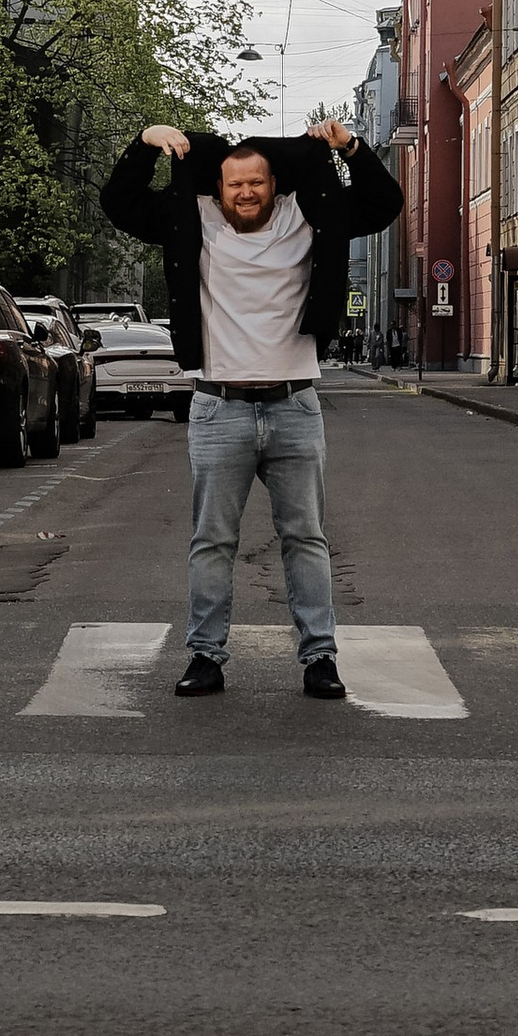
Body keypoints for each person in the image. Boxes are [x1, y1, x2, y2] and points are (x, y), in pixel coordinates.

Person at [102, 113, 403, 702]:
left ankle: (320, 659)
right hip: (219, 407)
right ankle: (205, 657)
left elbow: (383, 203)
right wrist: (144, 143)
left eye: (256, 182)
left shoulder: (310, 215)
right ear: (218, 186)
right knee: (212, 541)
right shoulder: (189, 218)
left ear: (276, 185)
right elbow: (120, 203)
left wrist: (353, 147)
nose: (245, 192)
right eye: (234, 183)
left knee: (307, 538)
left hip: (295, 404)